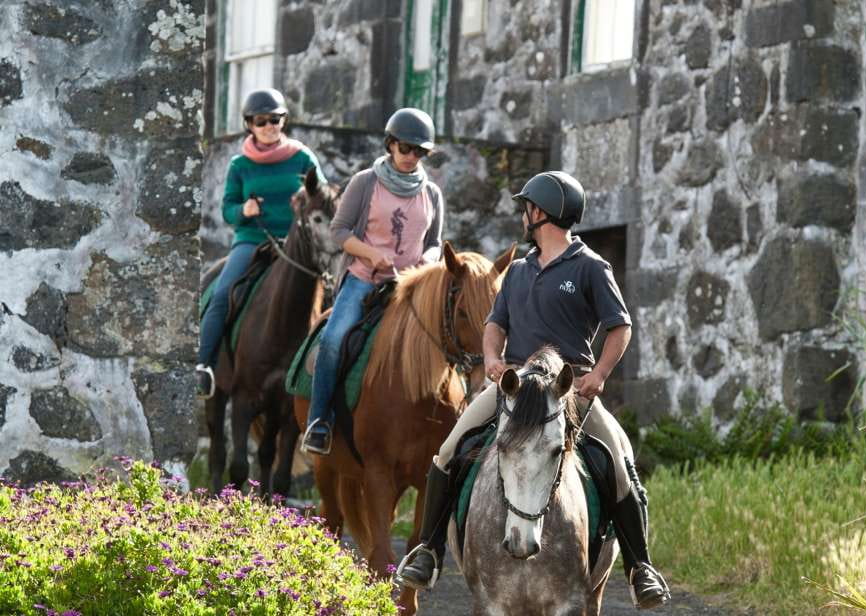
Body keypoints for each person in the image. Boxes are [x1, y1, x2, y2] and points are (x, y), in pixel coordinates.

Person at [395, 172, 671, 609]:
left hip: (570, 384)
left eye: (528, 206)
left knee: (618, 462)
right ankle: (429, 550)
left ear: (541, 212)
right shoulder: (520, 271)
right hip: (516, 384)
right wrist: (491, 358)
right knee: (449, 451)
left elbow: (621, 327)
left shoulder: (591, 267)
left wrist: (598, 375)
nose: (524, 214)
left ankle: (641, 568)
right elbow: (494, 325)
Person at [300, 108, 445, 455]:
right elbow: (339, 231)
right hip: (365, 279)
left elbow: (436, 242)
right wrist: (369, 253)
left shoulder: (433, 194)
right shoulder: (366, 182)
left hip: (410, 287)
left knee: (447, 340)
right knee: (334, 339)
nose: (412, 157)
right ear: (391, 144)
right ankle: (319, 421)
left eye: (420, 152)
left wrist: (428, 262)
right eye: (406, 148)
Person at [196, 88, 325, 398]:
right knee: (223, 293)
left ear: (284, 121)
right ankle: (203, 366)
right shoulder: (240, 166)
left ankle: (324, 375)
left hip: (297, 245)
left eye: (276, 120)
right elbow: (227, 209)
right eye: (261, 120)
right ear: (250, 125)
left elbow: (321, 197)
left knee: (332, 292)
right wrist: (244, 210)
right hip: (252, 241)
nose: (269, 126)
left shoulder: (303, 157)